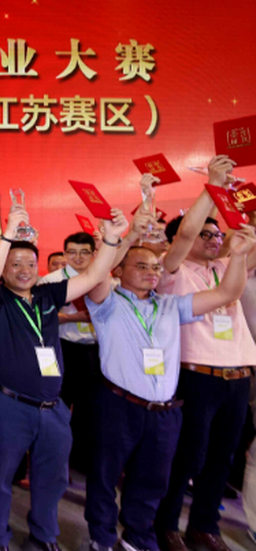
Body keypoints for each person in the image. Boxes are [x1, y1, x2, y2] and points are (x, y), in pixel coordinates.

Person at [85, 228, 256, 551]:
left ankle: (137, 538)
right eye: (141, 266)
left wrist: (239, 255)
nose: (152, 272)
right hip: (119, 404)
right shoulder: (106, 301)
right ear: (119, 270)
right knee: (105, 476)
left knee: (152, 480)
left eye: (155, 267)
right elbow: (97, 275)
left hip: (164, 410)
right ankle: (102, 538)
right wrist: (125, 237)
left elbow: (226, 293)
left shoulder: (170, 305)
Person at [0, 206, 128, 551]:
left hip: (53, 407)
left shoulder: (48, 294)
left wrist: (110, 239)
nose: (24, 270)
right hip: (10, 404)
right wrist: (8, 234)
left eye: (30, 264)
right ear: (3, 270)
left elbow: (93, 276)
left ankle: (44, 534)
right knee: (1, 477)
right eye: (15, 264)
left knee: (52, 478)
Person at [154, 156, 256, 551]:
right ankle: (166, 525)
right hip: (197, 377)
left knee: (222, 458)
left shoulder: (228, 266)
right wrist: (212, 188)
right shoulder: (172, 271)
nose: (214, 239)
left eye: (218, 235)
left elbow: (247, 242)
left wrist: (240, 204)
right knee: (187, 457)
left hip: (238, 379)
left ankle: (204, 526)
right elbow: (184, 235)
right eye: (206, 234)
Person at [37, 232, 100, 474]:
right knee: (58, 404)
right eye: (72, 252)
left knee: (89, 407)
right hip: (62, 348)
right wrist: (74, 317)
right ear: (65, 253)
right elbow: (40, 317)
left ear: (94, 254)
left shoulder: (103, 279)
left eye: (85, 252)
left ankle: (80, 460)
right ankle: (53, 459)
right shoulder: (51, 281)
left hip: (93, 350)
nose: (78, 258)